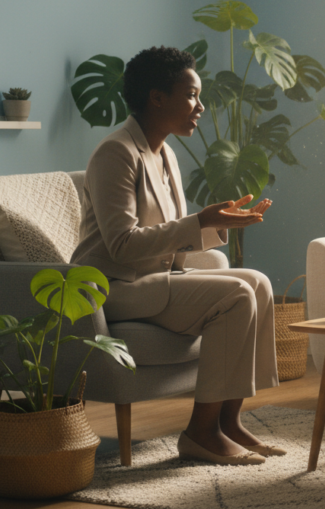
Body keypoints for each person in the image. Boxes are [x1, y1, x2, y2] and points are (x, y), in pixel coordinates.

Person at [71, 46, 283, 466]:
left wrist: (215, 223)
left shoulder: (165, 152)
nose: (200, 106)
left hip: (152, 279)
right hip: (111, 287)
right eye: (191, 95)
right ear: (157, 97)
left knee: (257, 282)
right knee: (236, 296)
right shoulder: (116, 153)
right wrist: (198, 221)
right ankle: (201, 433)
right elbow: (122, 245)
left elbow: (172, 234)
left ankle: (229, 419)